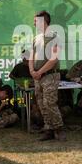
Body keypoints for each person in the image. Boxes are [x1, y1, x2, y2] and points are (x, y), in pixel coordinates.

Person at [29, 10, 66, 141]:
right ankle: (49, 129)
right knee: (41, 104)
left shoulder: (55, 37)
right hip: (38, 77)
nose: (34, 24)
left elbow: (54, 59)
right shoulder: (36, 38)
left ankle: (59, 129)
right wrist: (32, 71)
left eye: (36, 21)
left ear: (44, 21)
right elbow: (31, 57)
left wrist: (40, 72)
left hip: (50, 76)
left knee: (50, 103)